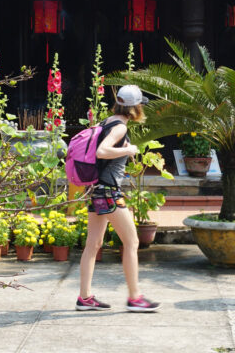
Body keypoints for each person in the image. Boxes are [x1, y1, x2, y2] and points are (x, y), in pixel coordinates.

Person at [77, 85, 160, 313]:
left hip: (95, 189)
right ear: (135, 107)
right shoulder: (120, 127)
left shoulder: (106, 121)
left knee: (93, 245)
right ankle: (135, 298)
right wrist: (128, 149)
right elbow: (102, 152)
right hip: (108, 191)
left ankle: (84, 298)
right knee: (132, 242)